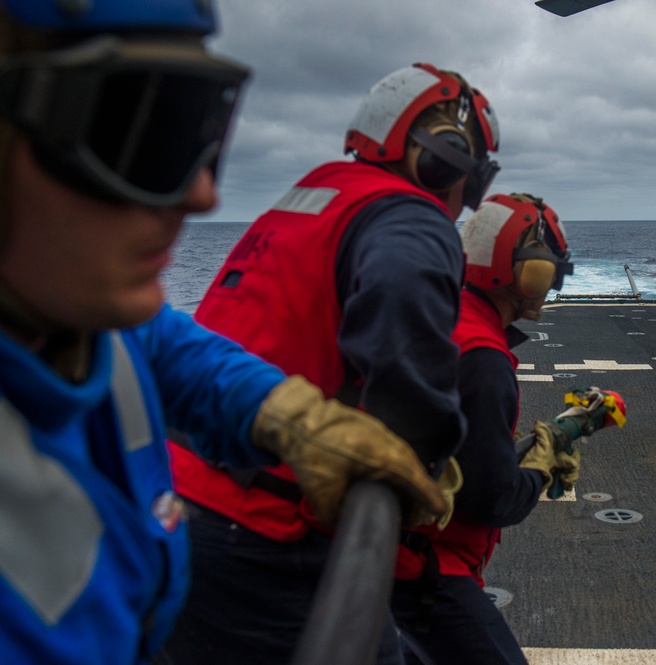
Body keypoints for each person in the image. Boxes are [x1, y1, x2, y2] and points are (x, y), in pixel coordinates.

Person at [0, 2, 446, 665]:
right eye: (141, 128)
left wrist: (291, 417)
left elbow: (166, 347)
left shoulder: (88, 325)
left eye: (201, 129)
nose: (203, 193)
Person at [162, 62, 501, 665]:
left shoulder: (312, 195)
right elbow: (402, 304)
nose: (464, 202)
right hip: (267, 527)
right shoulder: (410, 214)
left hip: (182, 498)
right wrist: (422, 445)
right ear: (445, 160)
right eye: (474, 179)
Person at [391, 193, 620, 665]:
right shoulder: (484, 358)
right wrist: (545, 458)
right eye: (548, 268)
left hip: (395, 551)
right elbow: (494, 500)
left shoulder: (444, 317)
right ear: (528, 271)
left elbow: (463, 455)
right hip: (432, 566)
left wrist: (556, 434)